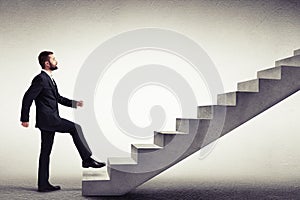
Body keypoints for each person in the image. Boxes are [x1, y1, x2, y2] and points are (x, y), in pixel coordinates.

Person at [20, 51, 105, 192]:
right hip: (49, 120)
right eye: (53, 59)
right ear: (47, 63)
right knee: (75, 128)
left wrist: (74, 103)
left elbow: (57, 98)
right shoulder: (40, 79)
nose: (56, 61)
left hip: (48, 120)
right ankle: (87, 159)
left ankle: (43, 184)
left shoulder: (49, 79)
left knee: (45, 152)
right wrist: (24, 118)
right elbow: (27, 97)